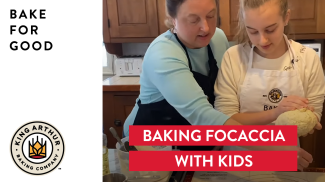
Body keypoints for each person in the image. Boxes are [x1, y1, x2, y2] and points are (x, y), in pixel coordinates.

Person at [214, 0, 325, 169]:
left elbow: (315, 111)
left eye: (270, 29)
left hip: (289, 155)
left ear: (286, 17)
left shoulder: (307, 58)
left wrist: (308, 120)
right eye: (252, 31)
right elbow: (225, 118)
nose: (262, 39)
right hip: (238, 157)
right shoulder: (233, 57)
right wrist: (276, 113)